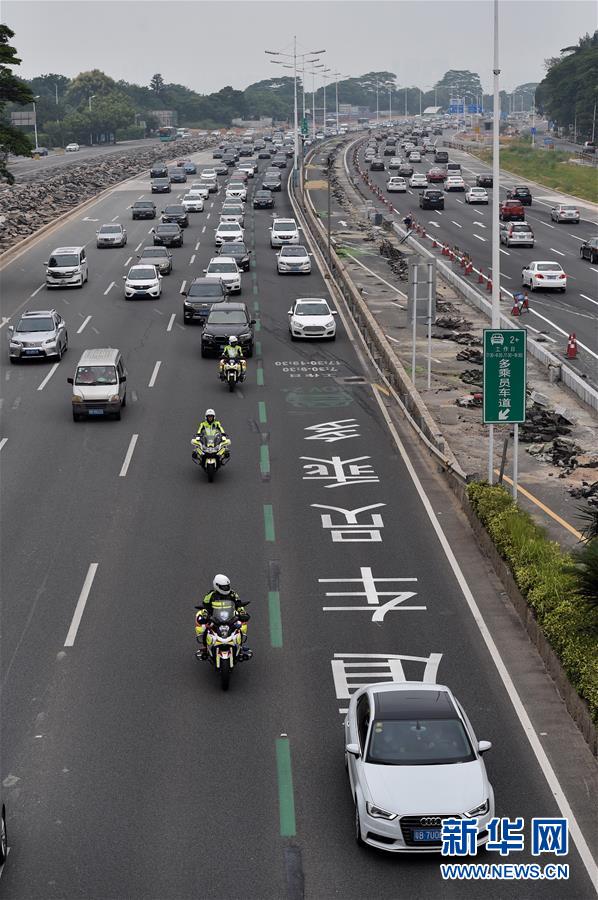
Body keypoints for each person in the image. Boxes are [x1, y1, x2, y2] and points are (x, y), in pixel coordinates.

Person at [195, 574, 251, 659]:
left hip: (230, 617)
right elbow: (205, 606)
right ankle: (206, 648)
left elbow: (239, 605)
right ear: (216, 586)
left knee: (240, 627)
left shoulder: (233, 594)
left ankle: (240, 648)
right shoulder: (210, 595)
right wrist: (205, 615)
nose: (226, 588)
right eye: (224, 587)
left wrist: (242, 613)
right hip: (215, 618)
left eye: (227, 586)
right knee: (204, 628)